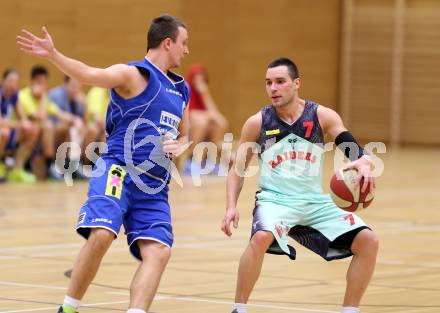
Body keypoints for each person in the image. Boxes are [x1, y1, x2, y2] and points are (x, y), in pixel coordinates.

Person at [17, 14, 189, 313]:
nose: (187, 51)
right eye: (184, 44)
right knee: (101, 234)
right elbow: (88, 74)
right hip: (118, 171)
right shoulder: (134, 75)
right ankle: (68, 308)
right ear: (168, 43)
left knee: (159, 251)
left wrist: (180, 144)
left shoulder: (180, 89)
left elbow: (186, 134)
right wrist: (54, 54)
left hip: (153, 186)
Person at [221, 58, 379, 313]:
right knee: (260, 237)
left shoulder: (320, 116)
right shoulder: (258, 123)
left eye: (280, 81)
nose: (273, 88)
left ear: (296, 84)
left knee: (369, 241)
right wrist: (230, 207)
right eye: (269, 83)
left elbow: (351, 146)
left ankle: (350, 310)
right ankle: (239, 308)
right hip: (275, 201)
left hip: (314, 203)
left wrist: (363, 160)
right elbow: (237, 170)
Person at [19, 65, 76, 180]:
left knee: (65, 127)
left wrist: (74, 120)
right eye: (39, 82)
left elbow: (60, 113)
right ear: (32, 81)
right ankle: (49, 165)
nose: (42, 86)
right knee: (48, 126)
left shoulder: (45, 99)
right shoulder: (23, 96)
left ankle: (65, 164)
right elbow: (41, 117)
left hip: (43, 134)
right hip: (26, 134)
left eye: (44, 83)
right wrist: (44, 96)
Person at [184, 63, 228, 173]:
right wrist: (209, 116)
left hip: (203, 130)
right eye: (196, 78)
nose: (199, 81)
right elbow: (190, 114)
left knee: (216, 125)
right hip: (187, 130)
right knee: (201, 122)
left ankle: (209, 161)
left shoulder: (203, 93)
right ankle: (191, 161)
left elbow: (217, 116)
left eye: (202, 78)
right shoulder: (185, 89)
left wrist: (205, 92)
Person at [0, 68, 39, 183]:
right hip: (4, 129)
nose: (13, 84)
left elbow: (23, 118)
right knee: (4, 133)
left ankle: (17, 169)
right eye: (10, 81)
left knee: (33, 130)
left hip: (9, 128)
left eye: (15, 82)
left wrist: (26, 124)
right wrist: (18, 124)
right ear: (3, 81)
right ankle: (1, 165)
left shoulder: (14, 96)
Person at [49, 75, 87, 176]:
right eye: (73, 86)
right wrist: (74, 120)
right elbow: (54, 115)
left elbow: (84, 122)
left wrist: (85, 105)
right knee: (69, 128)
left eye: (78, 87)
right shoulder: (55, 95)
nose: (76, 89)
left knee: (80, 129)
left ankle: (74, 163)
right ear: (65, 84)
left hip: (69, 133)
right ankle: (55, 165)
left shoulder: (78, 99)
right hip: (53, 131)